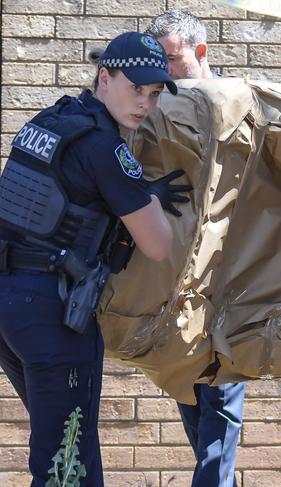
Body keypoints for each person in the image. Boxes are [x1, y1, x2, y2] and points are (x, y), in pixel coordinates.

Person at [0, 31, 190, 485]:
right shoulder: (107, 149)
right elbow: (158, 245)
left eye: (155, 93)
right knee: (67, 462)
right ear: (104, 76)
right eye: (135, 88)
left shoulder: (51, 119)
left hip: (10, 306)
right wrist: (143, 192)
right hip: (53, 314)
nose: (145, 103)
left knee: (65, 447)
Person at [145, 10, 245, 487]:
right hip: (175, 282)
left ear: (201, 53)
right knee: (189, 392)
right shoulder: (156, 111)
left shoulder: (236, 104)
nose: (164, 73)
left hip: (230, 280)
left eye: (172, 59)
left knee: (221, 398)